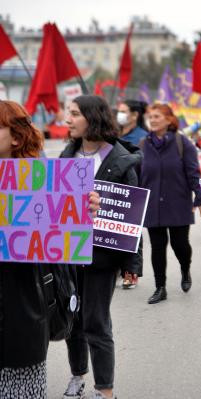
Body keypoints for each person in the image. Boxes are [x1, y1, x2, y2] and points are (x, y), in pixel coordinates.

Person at [0, 100, 100, 399]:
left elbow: (59, 247)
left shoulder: (40, 184)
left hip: (19, 313)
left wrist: (82, 212)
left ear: (15, 138)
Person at [61, 95, 142, 399]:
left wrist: (132, 265)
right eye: (68, 114)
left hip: (102, 256)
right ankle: (77, 376)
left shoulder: (121, 161)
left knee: (96, 322)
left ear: (92, 118)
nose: (67, 120)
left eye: (74, 114)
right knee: (72, 320)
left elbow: (132, 213)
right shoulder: (66, 158)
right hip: (68, 253)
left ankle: (104, 389)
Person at [140, 103, 201, 304]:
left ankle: (185, 268)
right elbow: (136, 174)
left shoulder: (182, 143)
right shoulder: (143, 145)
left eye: (157, 116)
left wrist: (200, 198)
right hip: (152, 204)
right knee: (157, 246)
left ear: (169, 120)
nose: (152, 120)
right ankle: (160, 288)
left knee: (180, 245)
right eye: (150, 116)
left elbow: (193, 173)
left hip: (178, 201)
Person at [115, 100, 149, 289]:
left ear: (135, 115)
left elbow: (145, 166)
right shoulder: (115, 134)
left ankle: (131, 272)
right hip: (114, 188)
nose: (119, 114)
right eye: (118, 111)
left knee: (132, 231)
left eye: (123, 111)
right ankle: (118, 268)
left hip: (134, 187)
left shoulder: (142, 137)